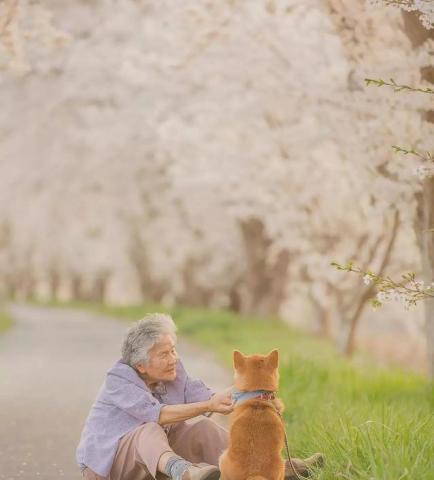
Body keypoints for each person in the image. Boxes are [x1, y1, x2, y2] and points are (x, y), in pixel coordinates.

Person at [76, 313, 321, 480]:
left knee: (202, 426)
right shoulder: (118, 380)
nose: (173, 358)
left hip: (151, 463)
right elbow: (158, 414)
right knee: (149, 428)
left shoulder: (174, 372)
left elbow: (211, 397)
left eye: (173, 350)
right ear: (141, 365)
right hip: (109, 470)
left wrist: (258, 395)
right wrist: (209, 404)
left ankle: (272, 467)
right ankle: (183, 472)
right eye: (164, 354)